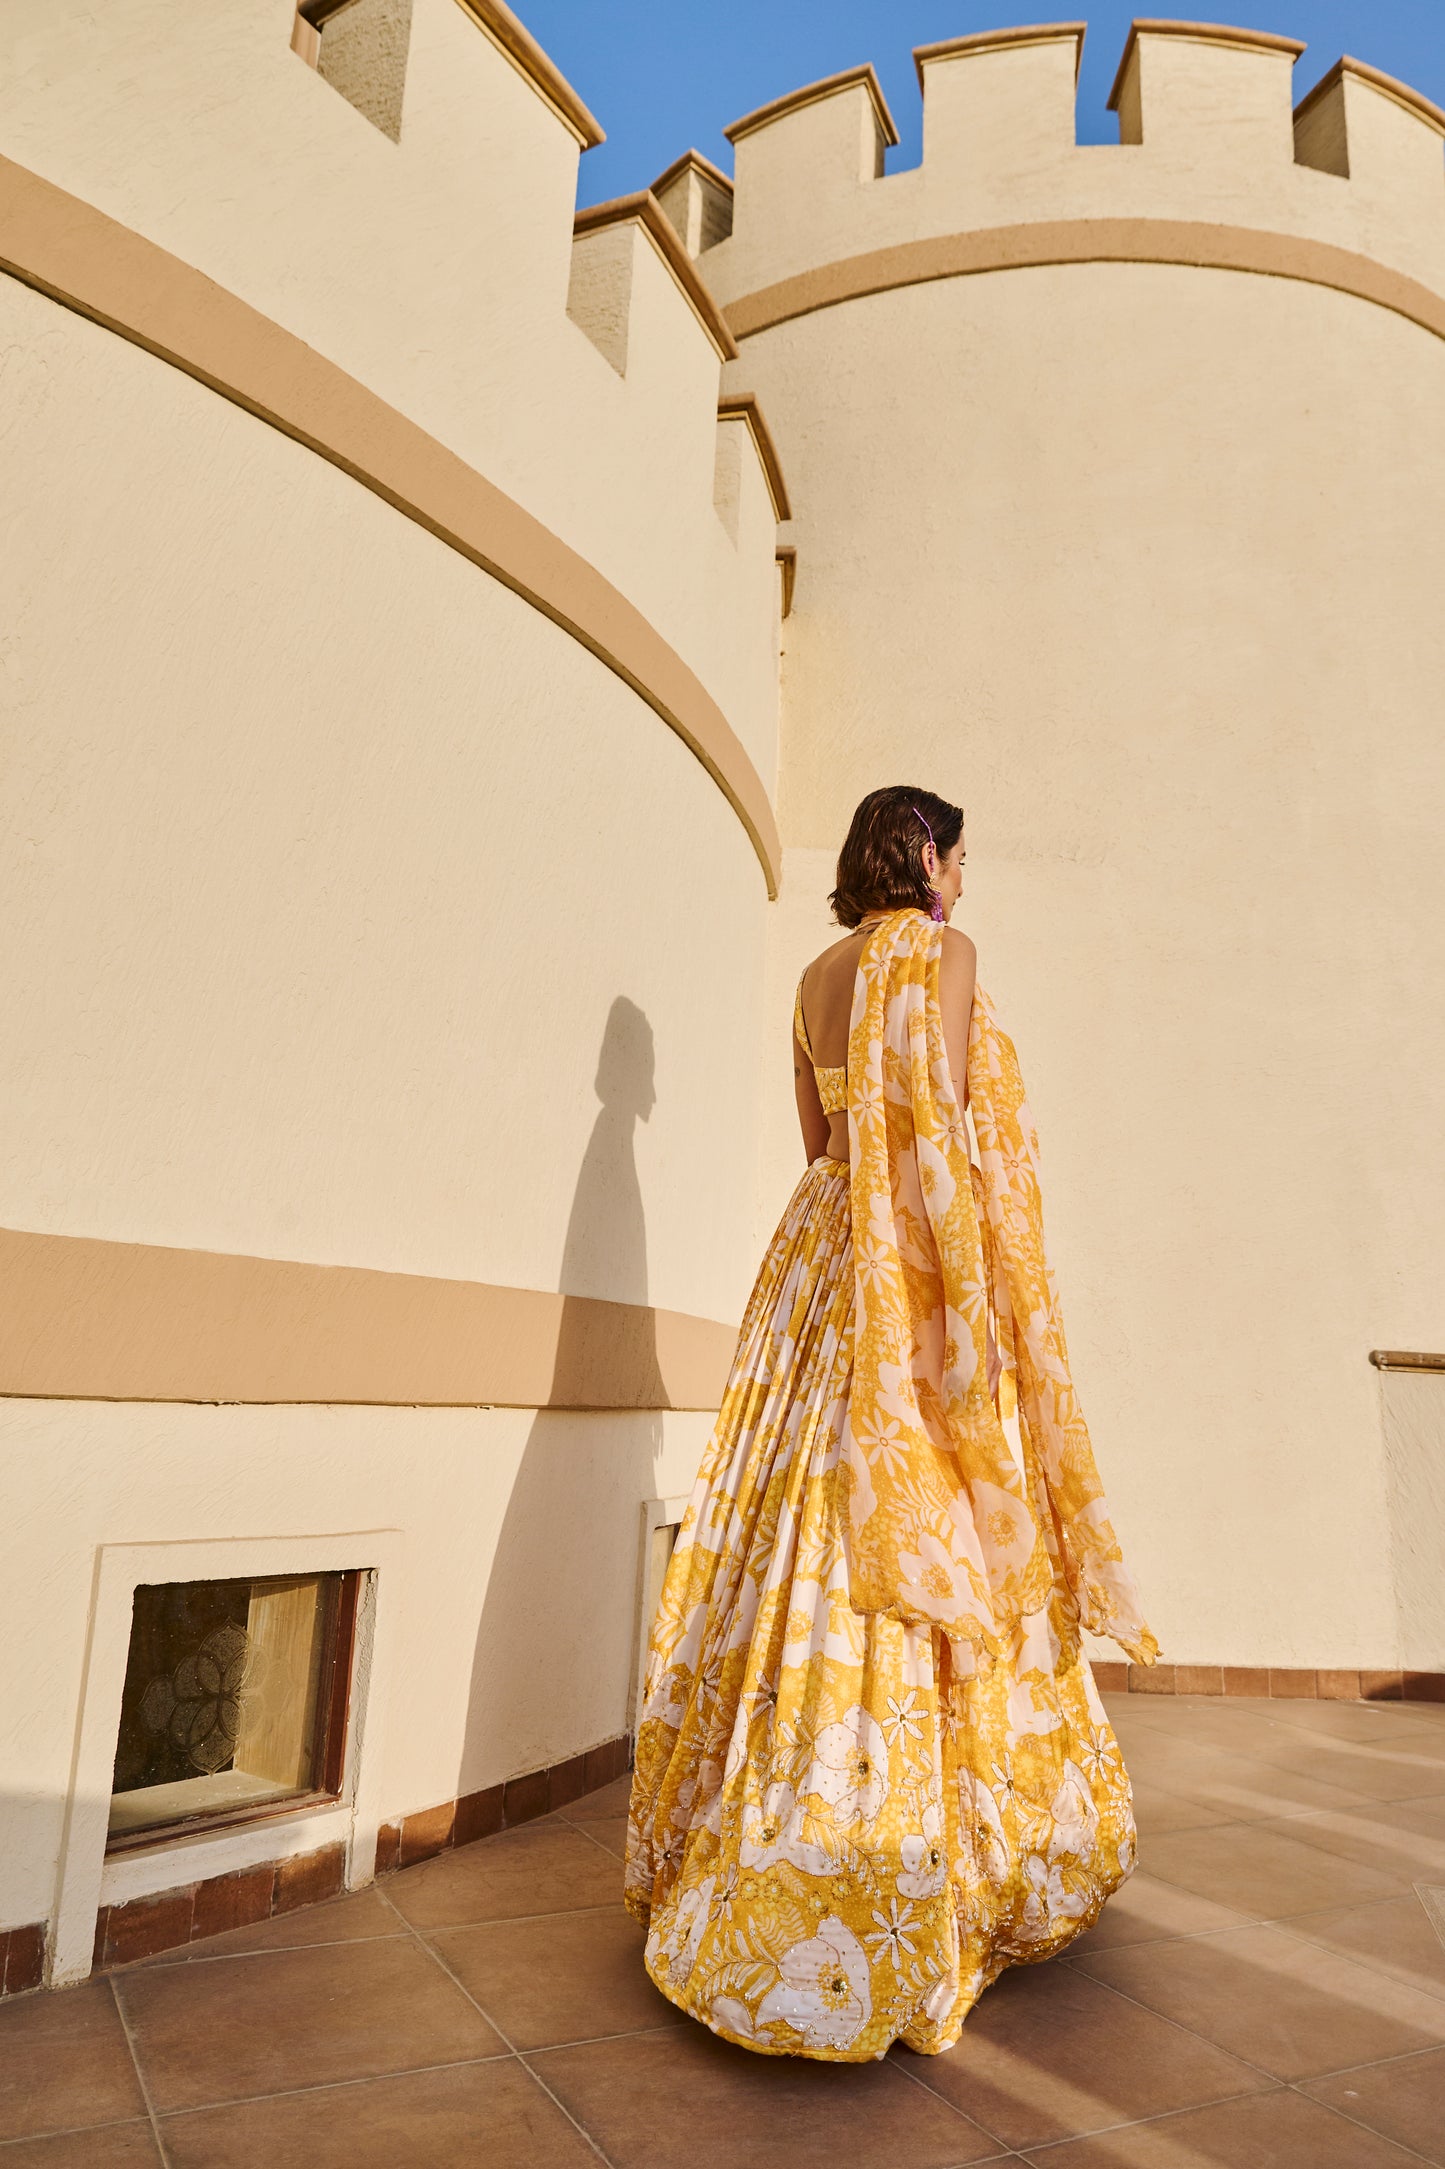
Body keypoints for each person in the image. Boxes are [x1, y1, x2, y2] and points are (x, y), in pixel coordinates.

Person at [624, 784, 1158, 2061]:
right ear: (925, 855)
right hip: (910, 1270)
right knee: (930, 1505)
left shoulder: (812, 974)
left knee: (802, 1509)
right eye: (959, 856)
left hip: (820, 1262)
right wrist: (972, 1317)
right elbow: (949, 1141)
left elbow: (825, 1144)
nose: (964, 883)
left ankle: (754, 1829)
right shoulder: (942, 954)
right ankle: (927, 1864)